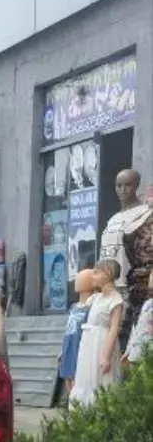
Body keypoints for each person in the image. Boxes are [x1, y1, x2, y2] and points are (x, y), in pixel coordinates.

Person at [98, 168, 152, 349]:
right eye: (118, 185)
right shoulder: (113, 219)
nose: (123, 190)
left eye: (127, 185)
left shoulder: (145, 213)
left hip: (131, 285)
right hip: (108, 285)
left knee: (125, 336)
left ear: (136, 186)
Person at [70, 259, 125, 406]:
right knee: (86, 377)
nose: (92, 276)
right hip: (89, 342)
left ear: (107, 274)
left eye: (96, 273)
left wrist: (106, 356)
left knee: (100, 378)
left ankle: (100, 411)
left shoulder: (115, 300)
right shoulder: (97, 298)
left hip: (101, 342)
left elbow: (114, 328)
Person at [58, 267, 95, 405]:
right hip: (68, 343)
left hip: (81, 344)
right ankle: (72, 404)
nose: (77, 281)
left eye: (81, 279)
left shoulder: (92, 306)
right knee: (67, 374)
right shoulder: (74, 307)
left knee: (78, 376)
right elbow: (68, 329)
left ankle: (78, 406)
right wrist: (61, 351)